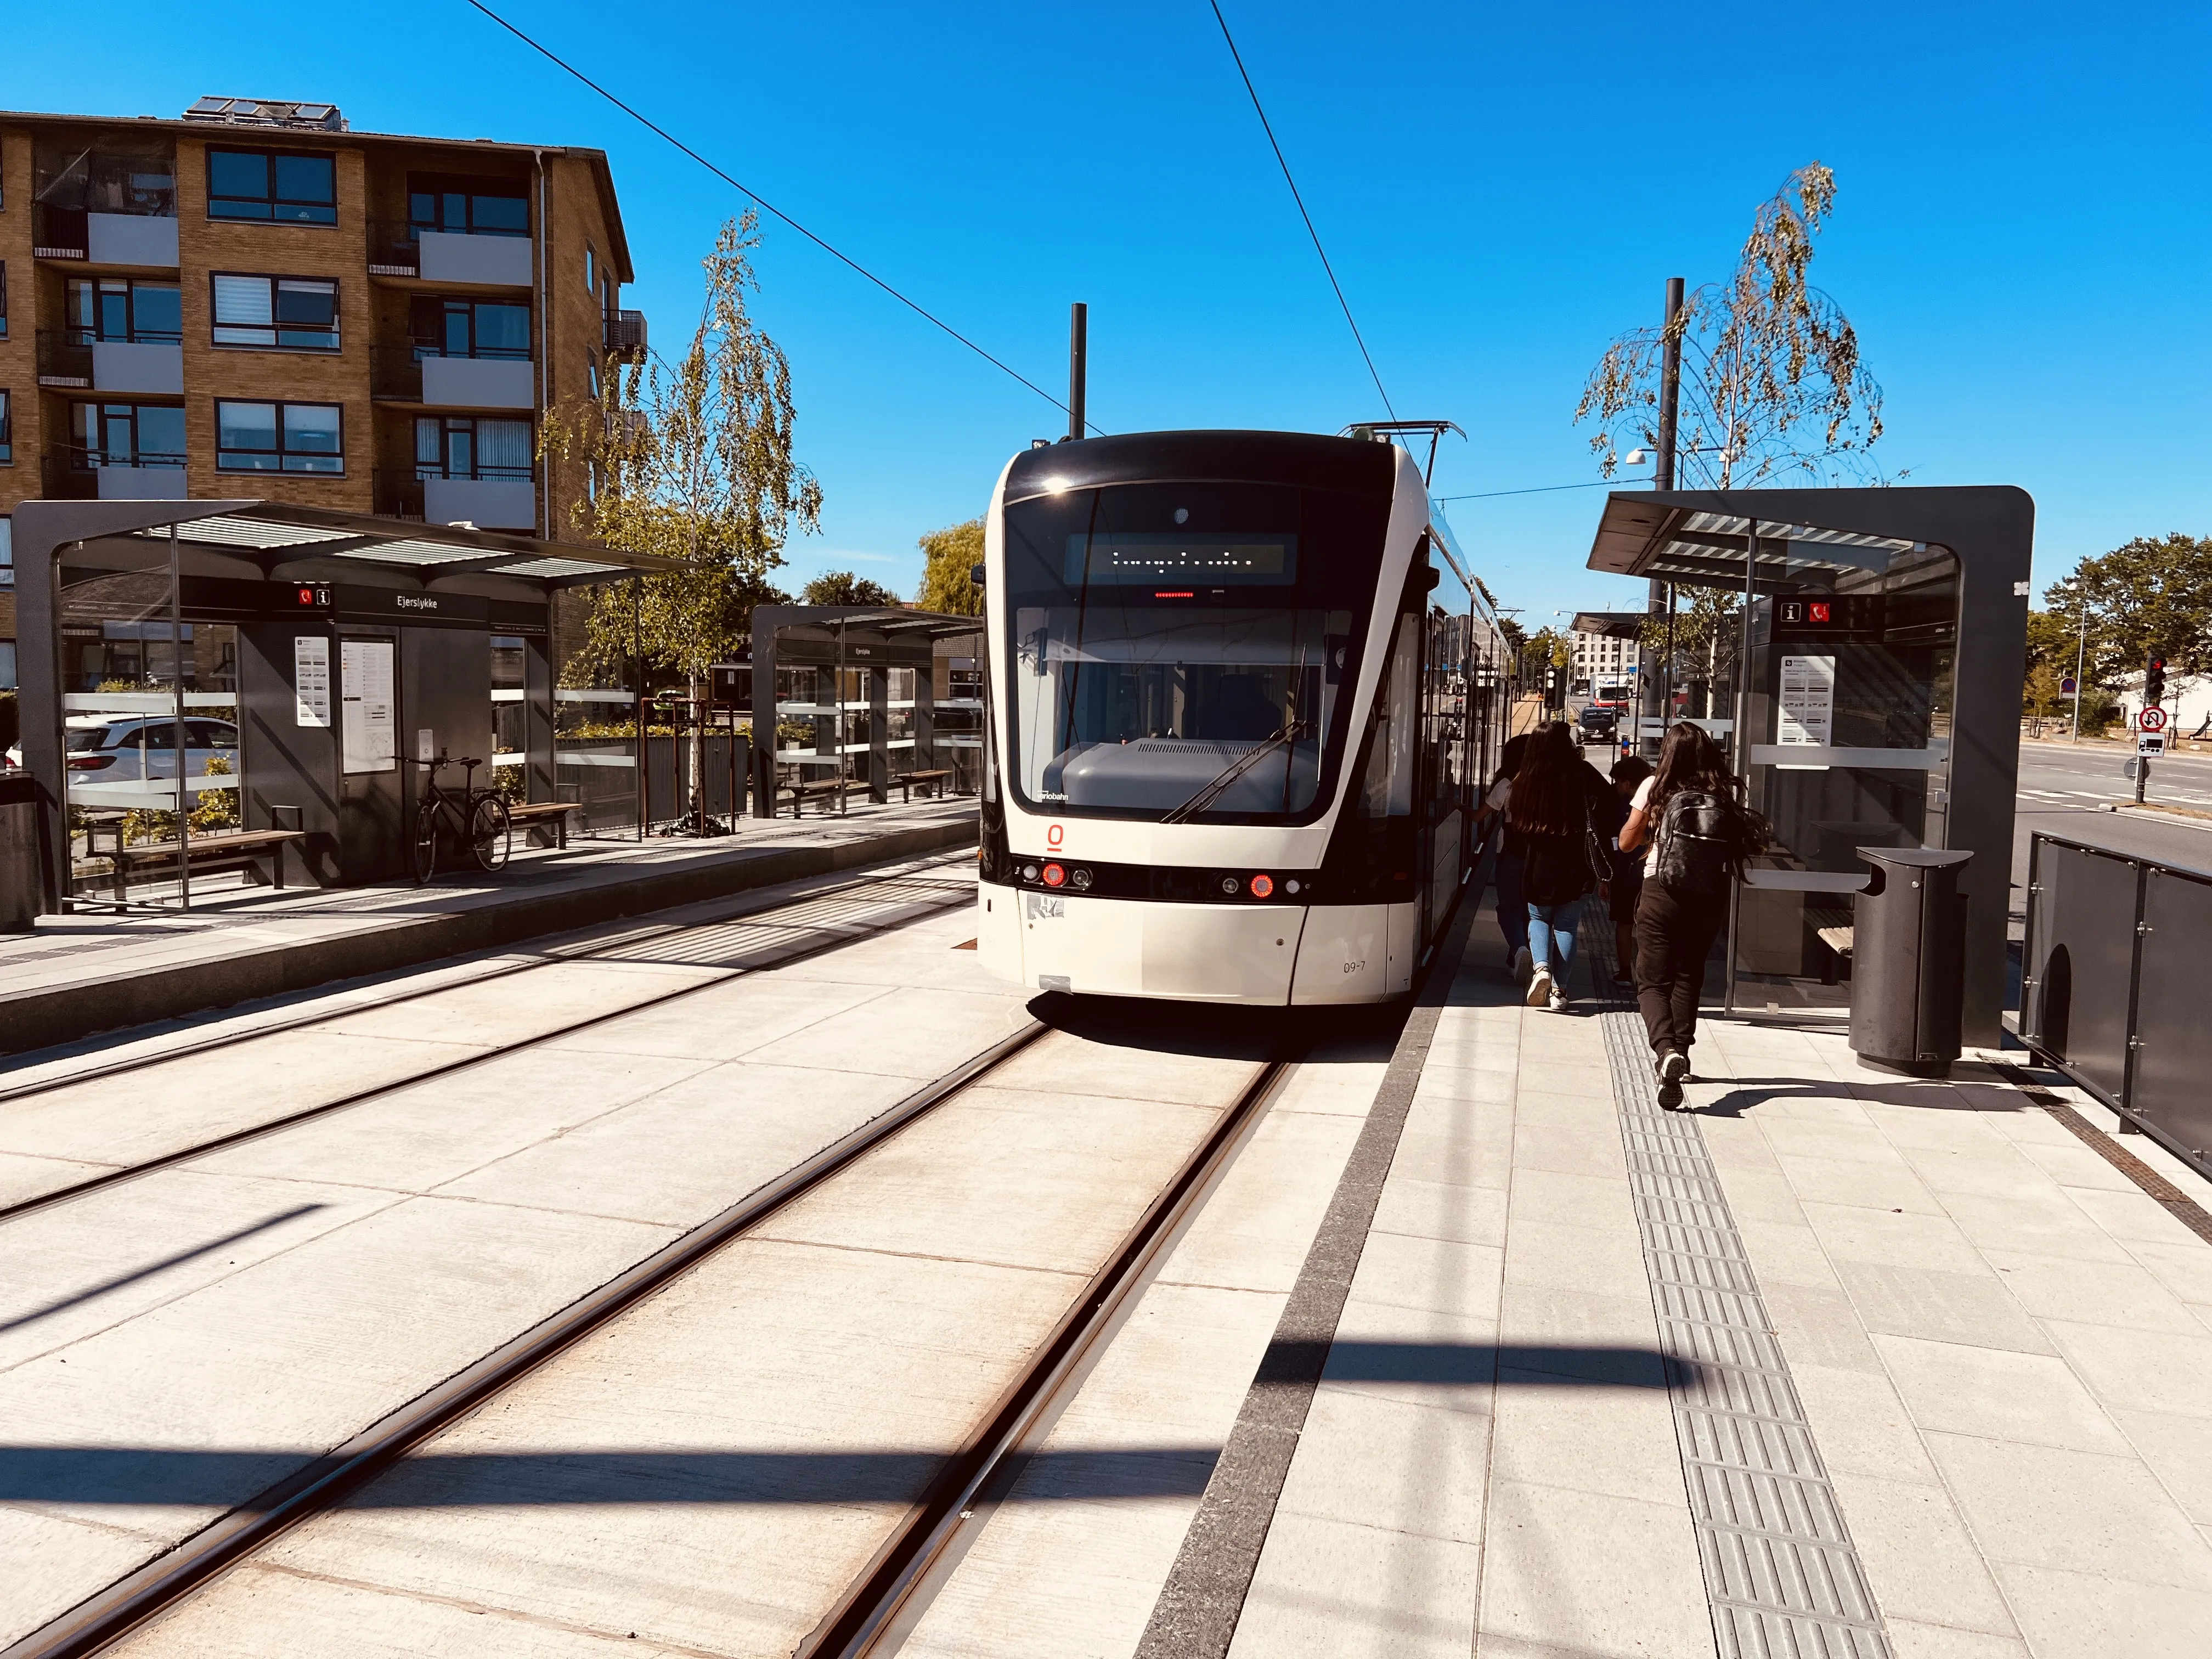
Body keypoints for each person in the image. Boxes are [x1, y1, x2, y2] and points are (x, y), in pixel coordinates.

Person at [1618, 722, 1760, 1108]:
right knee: (1688, 976)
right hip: (1708, 897)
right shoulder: (1720, 791)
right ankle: (1681, 1054)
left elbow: (1626, 842)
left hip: (1661, 892)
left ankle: (1666, 1051)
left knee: (1651, 981)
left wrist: (1652, 828)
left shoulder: (1655, 786)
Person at [1507, 721, 1610, 1012]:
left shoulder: (1526, 778)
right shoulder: (1583, 773)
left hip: (1539, 860)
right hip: (1577, 862)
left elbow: (1516, 821)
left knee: (1538, 918)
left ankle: (1541, 968)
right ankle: (1560, 992)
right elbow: (1609, 805)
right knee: (1566, 926)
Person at [1476, 732, 1534, 980]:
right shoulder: (1547, 782)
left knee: (1509, 905)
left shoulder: (1507, 783)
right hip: (1539, 855)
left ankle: (1519, 948)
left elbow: (1479, 816)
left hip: (1510, 851)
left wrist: (1458, 807)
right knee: (1533, 909)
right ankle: (1532, 953)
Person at [1605, 754, 1654, 985]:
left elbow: (1616, 842)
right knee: (1648, 927)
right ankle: (1648, 974)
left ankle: (1626, 971)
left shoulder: (1621, 805)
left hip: (1625, 874)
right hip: (1651, 875)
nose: (1615, 787)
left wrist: (1605, 879)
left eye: (1617, 782)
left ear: (1627, 783)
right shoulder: (1658, 800)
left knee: (1624, 924)